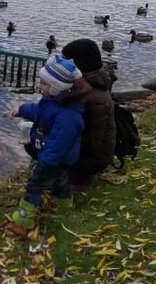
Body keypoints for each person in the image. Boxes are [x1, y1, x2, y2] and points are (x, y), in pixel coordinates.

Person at [6, 55, 84, 236]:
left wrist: (46, 161)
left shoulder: (68, 116)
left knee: (35, 185)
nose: (41, 85)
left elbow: (60, 143)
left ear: (57, 87)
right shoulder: (53, 101)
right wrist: (22, 109)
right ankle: (66, 207)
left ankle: (23, 221)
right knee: (59, 182)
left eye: (44, 83)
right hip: (57, 158)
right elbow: (40, 111)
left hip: (53, 158)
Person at [60, 39, 116, 192]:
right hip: (86, 149)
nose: (63, 66)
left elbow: (92, 143)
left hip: (93, 158)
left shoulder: (94, 99)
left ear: (79, 64)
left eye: (67, 62)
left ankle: (79, 179)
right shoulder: (87, 86)